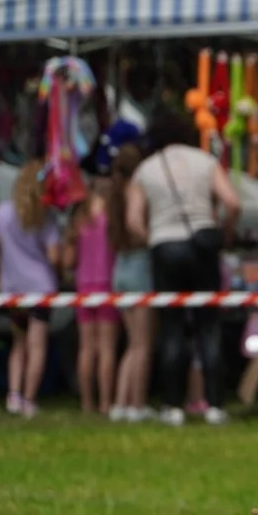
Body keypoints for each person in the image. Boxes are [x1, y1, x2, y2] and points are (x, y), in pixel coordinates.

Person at [126, 109, 242, 427]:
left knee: (172, 327)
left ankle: (172, 405)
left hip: (164, 247)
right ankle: (215, 405)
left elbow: (133, 221)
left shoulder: (145, 170)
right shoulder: (205, 161)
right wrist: (225, 233)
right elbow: (232, 202)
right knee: (208, 325)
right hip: (203, 245)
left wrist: (154, 239)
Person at [0, 160, 61, 419]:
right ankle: (30, 399)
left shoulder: (2, 213)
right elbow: (54, 257)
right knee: (37, 345)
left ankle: (13, 394)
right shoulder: (45, 216)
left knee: (18, 344)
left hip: (12, 288)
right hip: (41, 288)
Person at [62, 179, 119, 416]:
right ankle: (106, 402)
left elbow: (67, 261)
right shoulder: (111, 219)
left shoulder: (79, 220)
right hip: (107, 284)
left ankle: (87, 402)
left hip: (84, 287)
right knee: (106, 348)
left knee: (86, 348)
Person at [107, 144, 155, 423]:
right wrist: (152, 240)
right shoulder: (136, 192)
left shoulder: (112, 195)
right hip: (138, 267)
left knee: (130, 343)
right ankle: (136, 404)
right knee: (142, 344)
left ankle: (120, 403)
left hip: (120, 268)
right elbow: (136, 225)